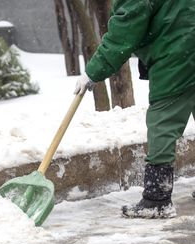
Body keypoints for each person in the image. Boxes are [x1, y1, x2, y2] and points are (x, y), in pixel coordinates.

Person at [74, 0, 195, 218]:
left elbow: (124, 32)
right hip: (185, 45)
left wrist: (93, 72)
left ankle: (157, 200)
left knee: (163, 121)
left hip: (178, 55)